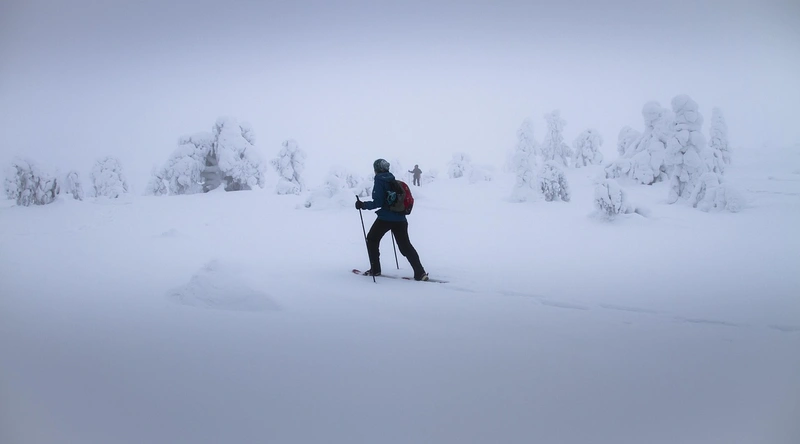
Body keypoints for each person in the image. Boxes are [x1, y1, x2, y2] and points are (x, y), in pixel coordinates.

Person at [355, 158, 428, 281]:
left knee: (372, 239)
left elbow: (378, 202)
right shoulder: (392, 179)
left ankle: (375, 269)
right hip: (401, 219)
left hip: (385, 218)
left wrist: (363, 205)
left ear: (376, 169)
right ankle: (420, 273)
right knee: (405, 246)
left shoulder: (379, 180)